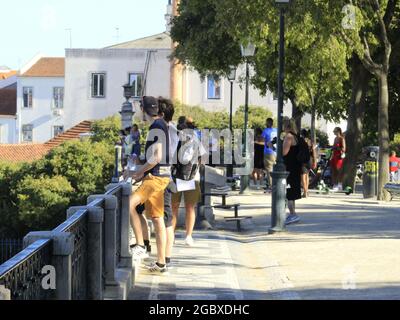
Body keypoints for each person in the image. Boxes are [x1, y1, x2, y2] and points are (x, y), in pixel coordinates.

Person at [124, 96, 171, 274]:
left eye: (140, 108)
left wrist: (138, 171)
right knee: (158, 220)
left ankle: (140, 245)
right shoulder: (162, 125)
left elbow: (157, 157)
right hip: (161, 176)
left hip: (156, 178)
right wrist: (140, 169)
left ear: (145, 110)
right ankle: (161, 262)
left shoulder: (157, 126)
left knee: (130, 204)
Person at [171, 117, 205, 247]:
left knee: (189, 207)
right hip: (177, 176)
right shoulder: (175, 141)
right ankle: (171, 234)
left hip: (192, 177)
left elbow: (203, 157)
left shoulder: (195, 141)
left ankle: (188, 235)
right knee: (175, 206)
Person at [282, 118, 302, 225]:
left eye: (284, 126)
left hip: (289, 168)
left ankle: (293, 214)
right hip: (295, 167)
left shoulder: (289, 137)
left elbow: (284, 153)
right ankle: (292, 214)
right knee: (292, 191)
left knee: (289, 191)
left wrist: (274, 146)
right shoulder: (296, 136)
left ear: (287, 127)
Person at [300, 129, 317, 198]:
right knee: (307, 176)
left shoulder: (300, 141)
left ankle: (305, 192)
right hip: (310, 160)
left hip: (303, 160)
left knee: (303, 177)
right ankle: (306, 191)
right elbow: (314, 152)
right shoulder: (310, 142)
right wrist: (315, 161)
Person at [262, 118, 278, 192]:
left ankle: (272, 186)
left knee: (269, 170)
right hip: (276, 152)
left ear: (268, 123)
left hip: (268, 152)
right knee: (276, 169)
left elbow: (262, 140)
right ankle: (277, 185)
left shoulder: (265, 131)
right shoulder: (276, 130)